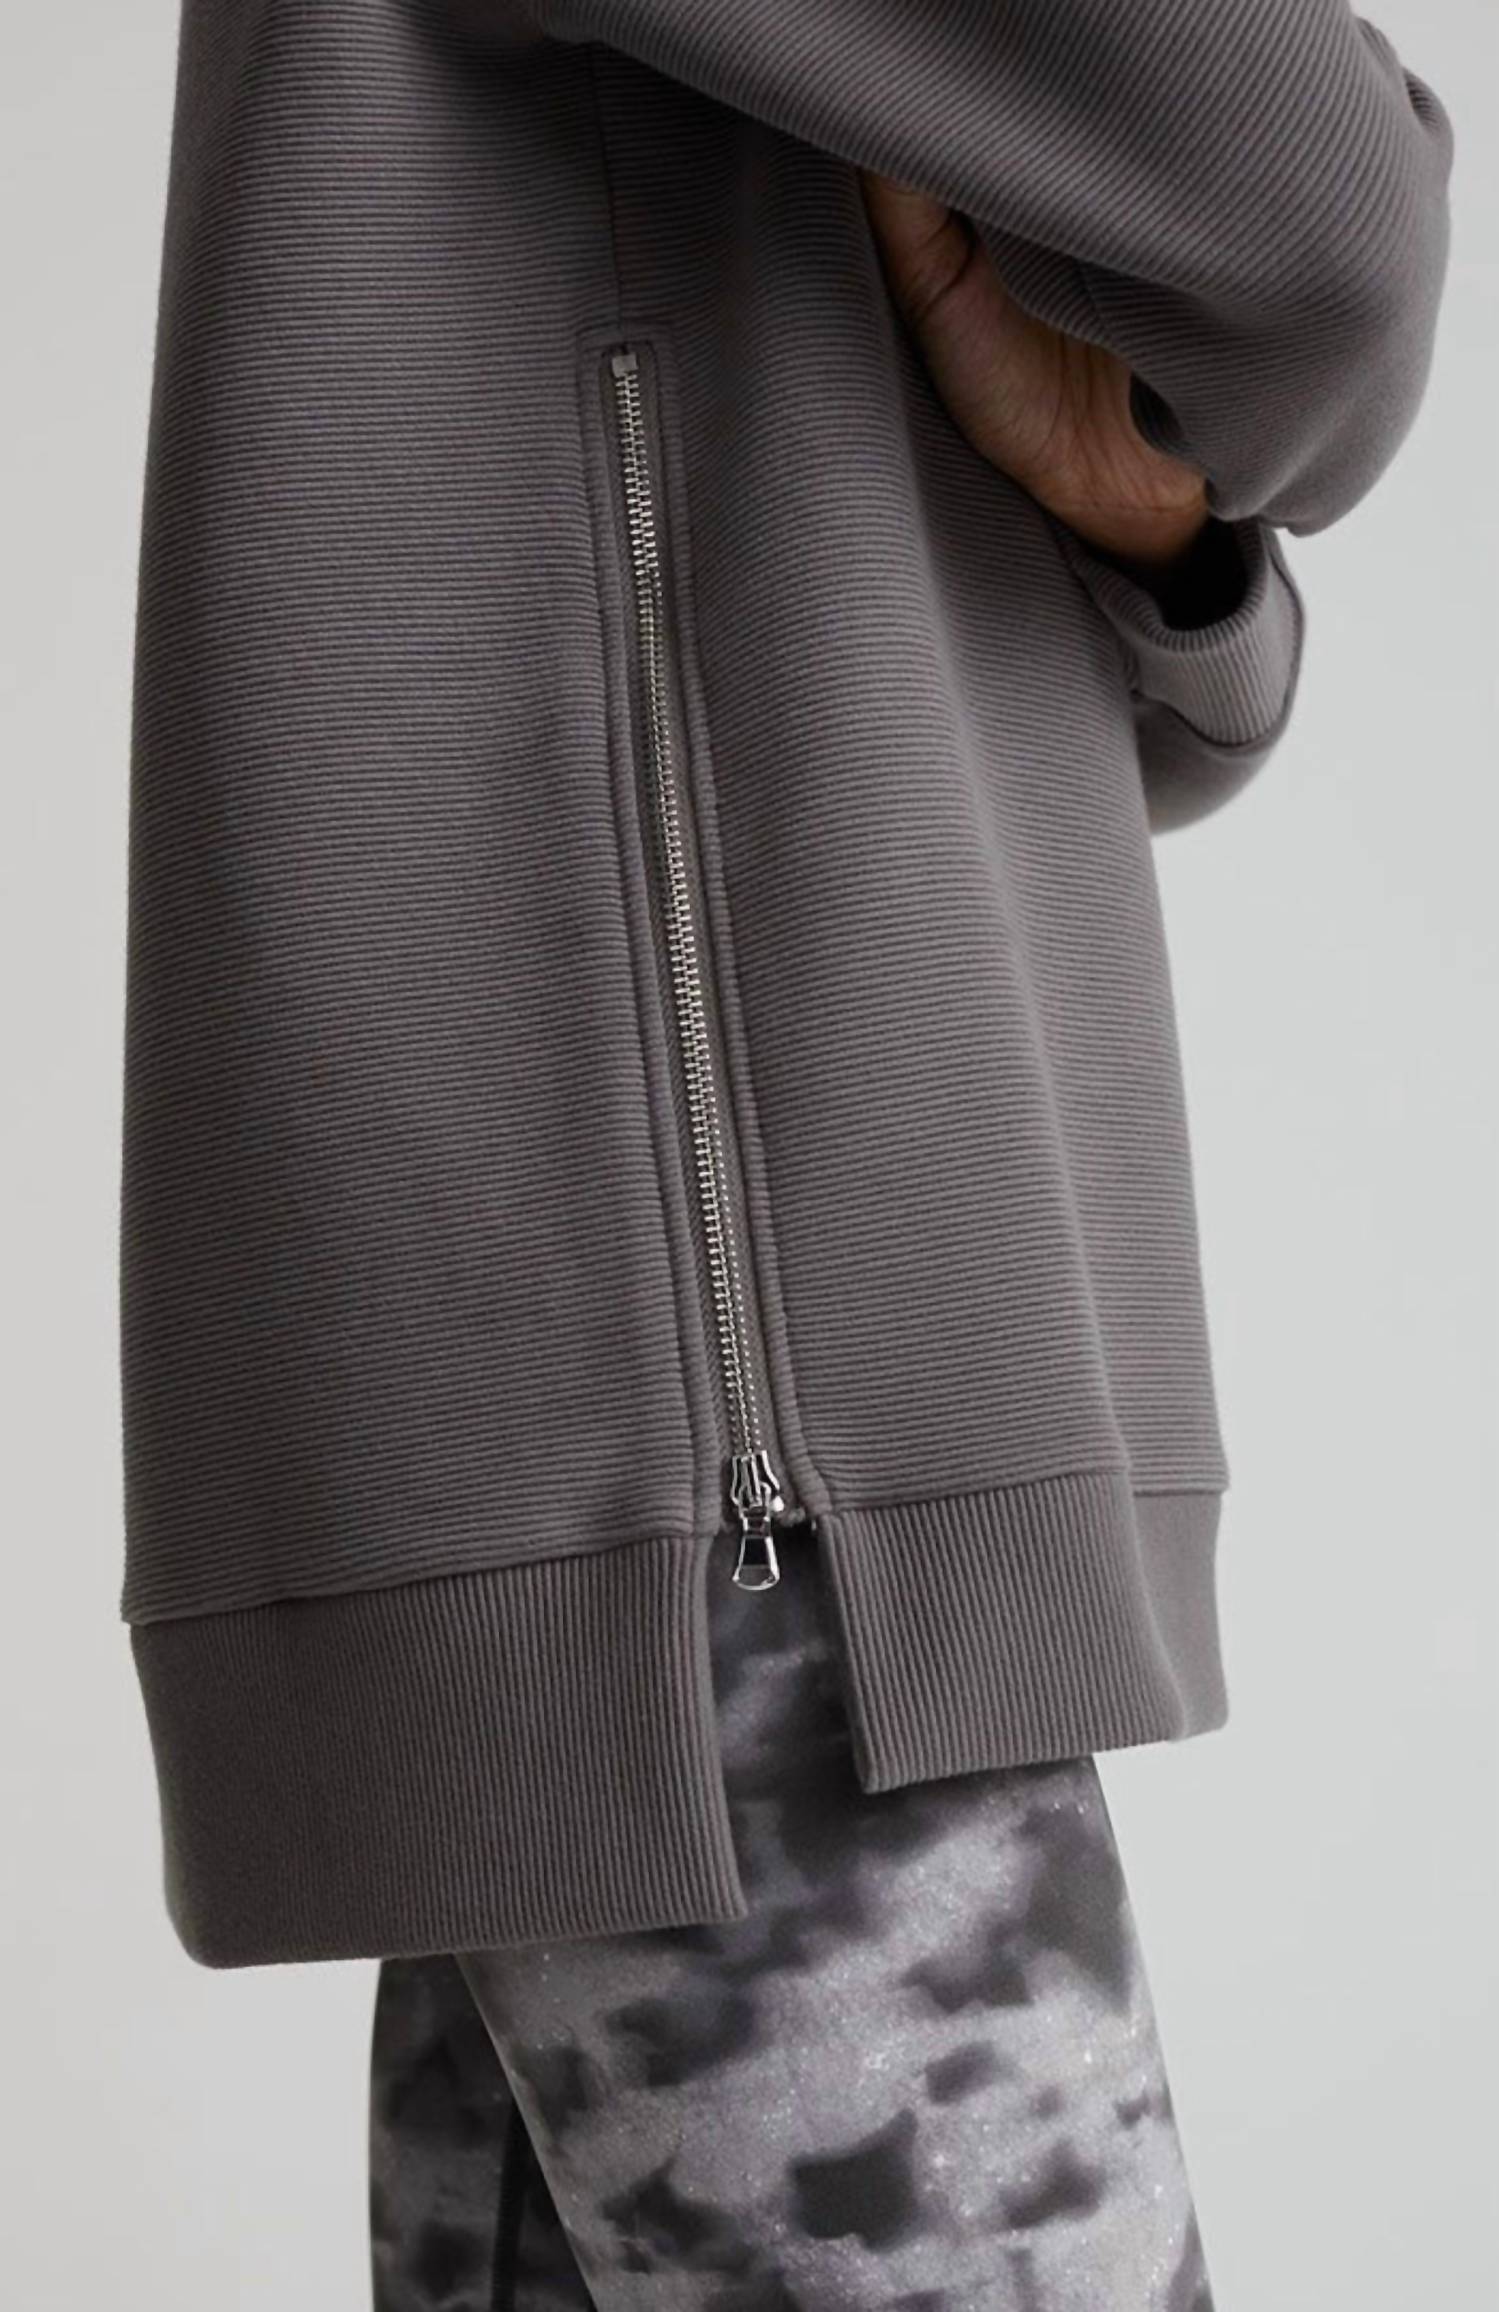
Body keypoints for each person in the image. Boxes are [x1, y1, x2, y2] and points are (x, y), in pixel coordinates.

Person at [119, 2, 1454, 2304]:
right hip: (725, 1455)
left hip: (631, 1394)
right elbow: (1324, 215)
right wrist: (1182, 468)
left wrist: (1149, 525)